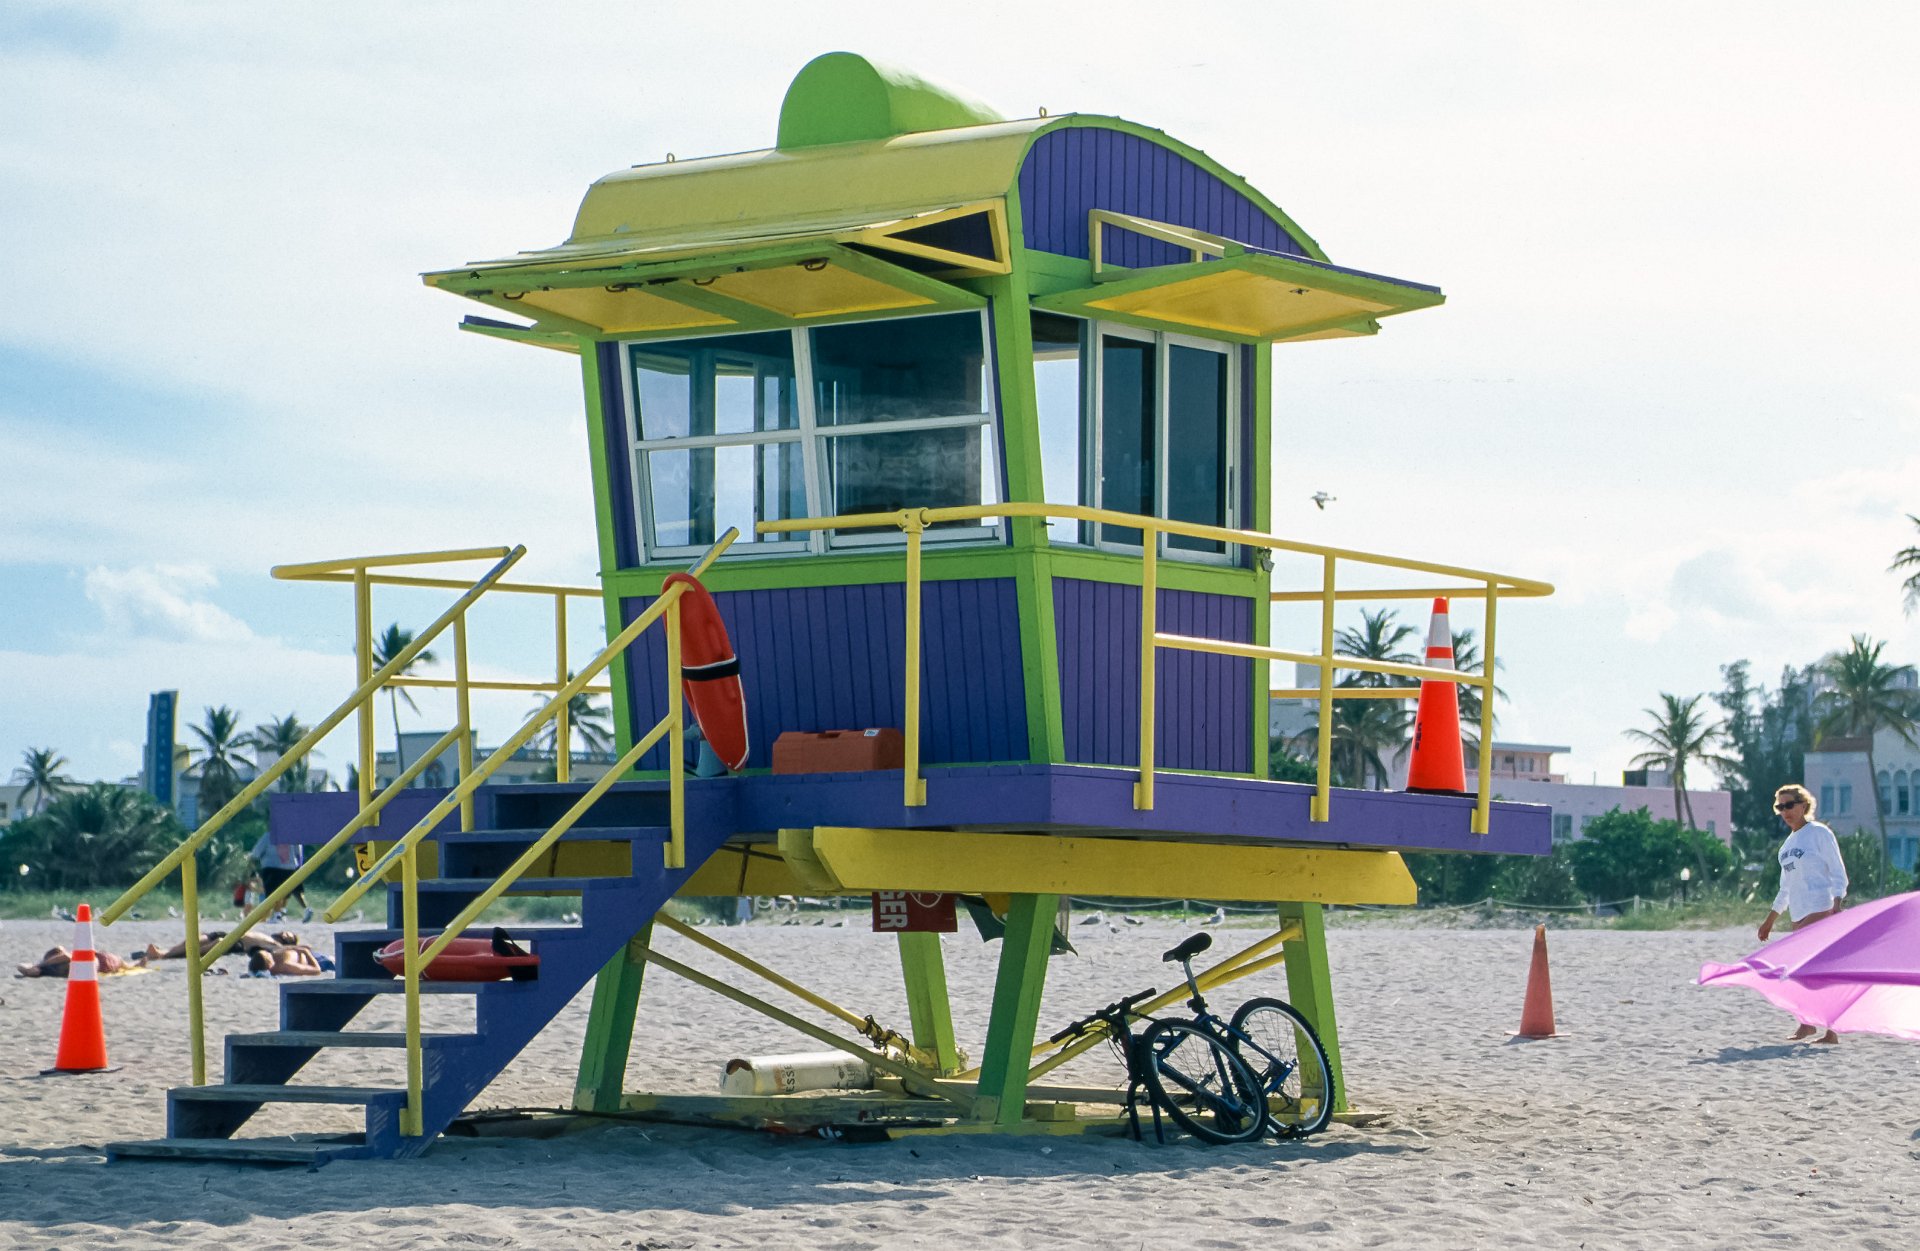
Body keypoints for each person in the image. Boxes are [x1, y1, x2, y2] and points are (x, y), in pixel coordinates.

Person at [1756, 783, 1849, 1044]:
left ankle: (1821, 1027)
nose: (1785, 811)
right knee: (1808, 972)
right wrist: (1770, 920)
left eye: (1789, 805)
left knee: (1806, 970)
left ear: (1804, 805)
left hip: (1821, 906)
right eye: (1780, 807)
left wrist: (1837, 903)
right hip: (1798, 913)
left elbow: (1838, 871)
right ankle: (1815, 1026)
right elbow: (1785, 888)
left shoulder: (1819, 833)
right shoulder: (1786, 846)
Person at [249, 831, 311, 922]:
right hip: (291, 867)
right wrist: (299, 866)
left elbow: (256, 853)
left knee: (274, 892)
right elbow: (299, 853)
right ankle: (307, 909)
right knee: (297, 892)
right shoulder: (293, 836)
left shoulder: (268, 836)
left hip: (272, 867)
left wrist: (254, 865)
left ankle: (276, 914)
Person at [15, 947, 128, 978]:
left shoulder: (47, 963)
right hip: (93, 963)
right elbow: (20, 966)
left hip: (95, 962)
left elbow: (67, 956)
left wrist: (36, 966)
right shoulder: (46, 968)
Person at [244, 945, 333, 977]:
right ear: (269, 963)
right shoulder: (286, 965)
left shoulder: (274, 956)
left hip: (310, 956)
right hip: (318, 961)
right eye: (267, 954)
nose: (269, 953)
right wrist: (305, 951)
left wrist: (297, 948)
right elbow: (317, 970)